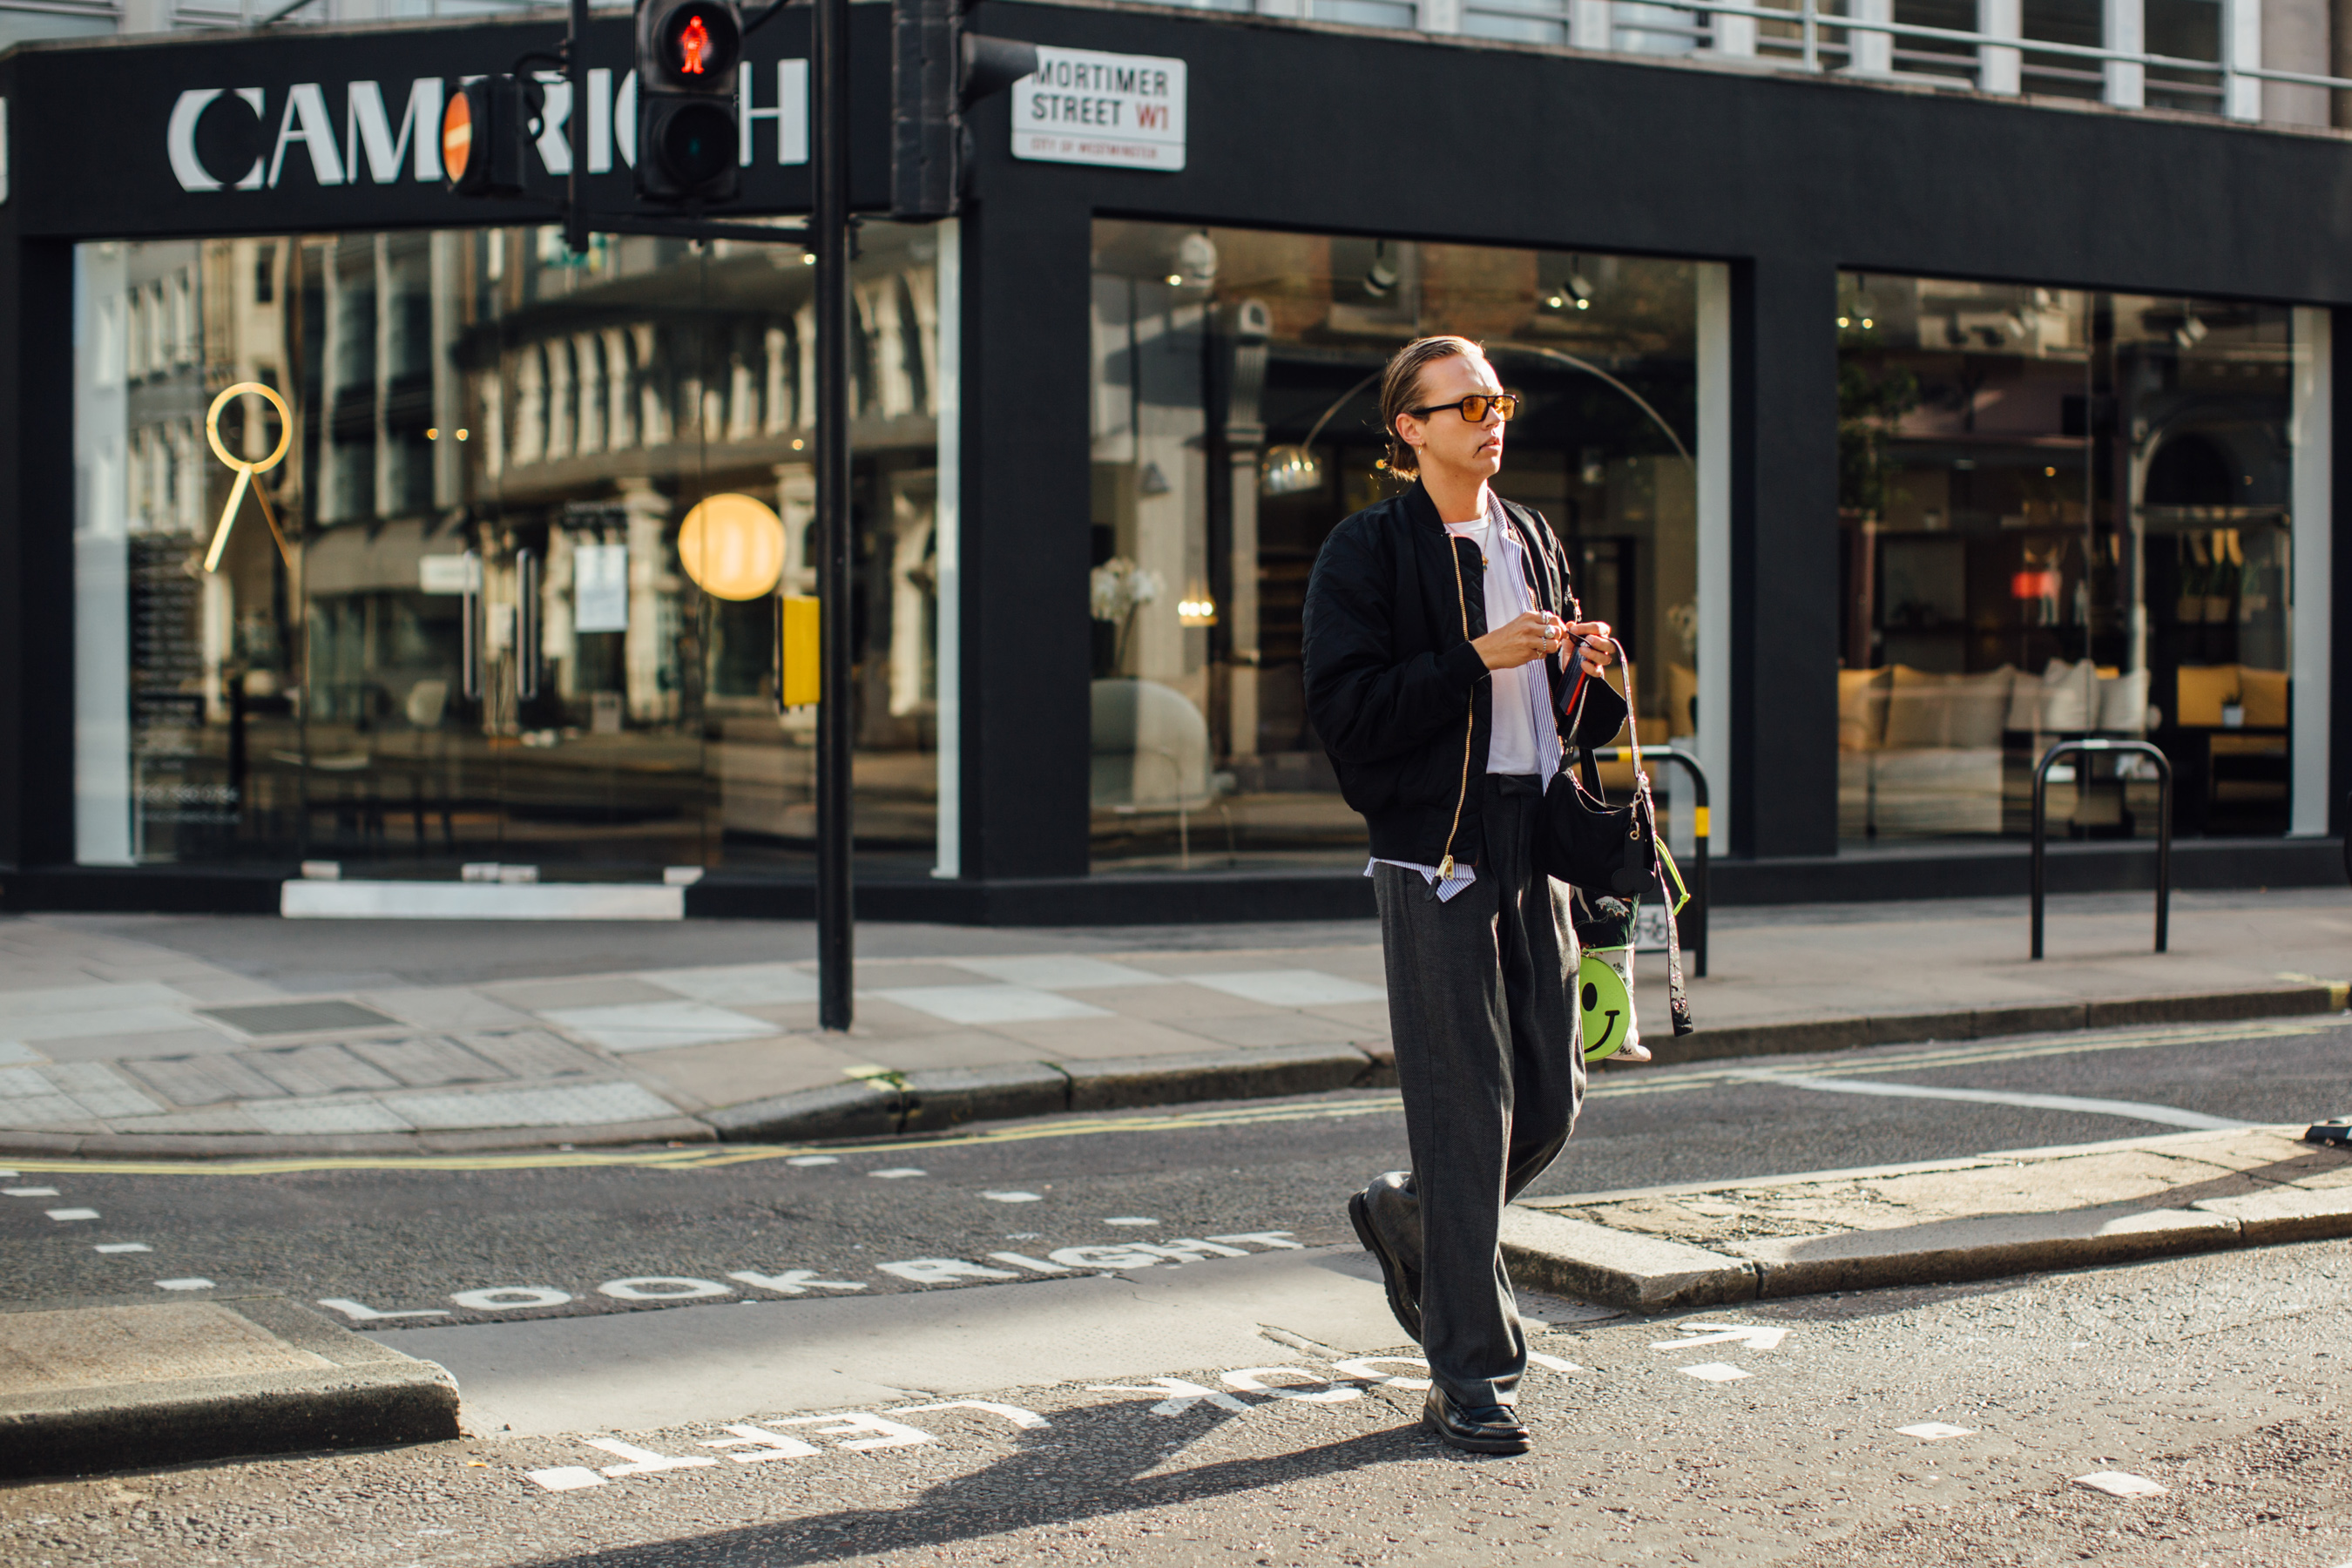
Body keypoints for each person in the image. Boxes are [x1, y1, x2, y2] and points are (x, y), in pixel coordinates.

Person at [1301, 334, 1627, 1456]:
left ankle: (1408, 1214)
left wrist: (1587, 676)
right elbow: (1347, 715)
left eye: (1499, 399)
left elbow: (1558, 723)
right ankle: (1469, 1375)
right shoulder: (1368, 550)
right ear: (1411, 428)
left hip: (1532, 838)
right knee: (1462, 1112)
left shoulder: (1531, 536)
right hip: (1434, 851)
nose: (1493, 418)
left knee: (1549, 1104)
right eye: (1467, 403)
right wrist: (1476, 658)